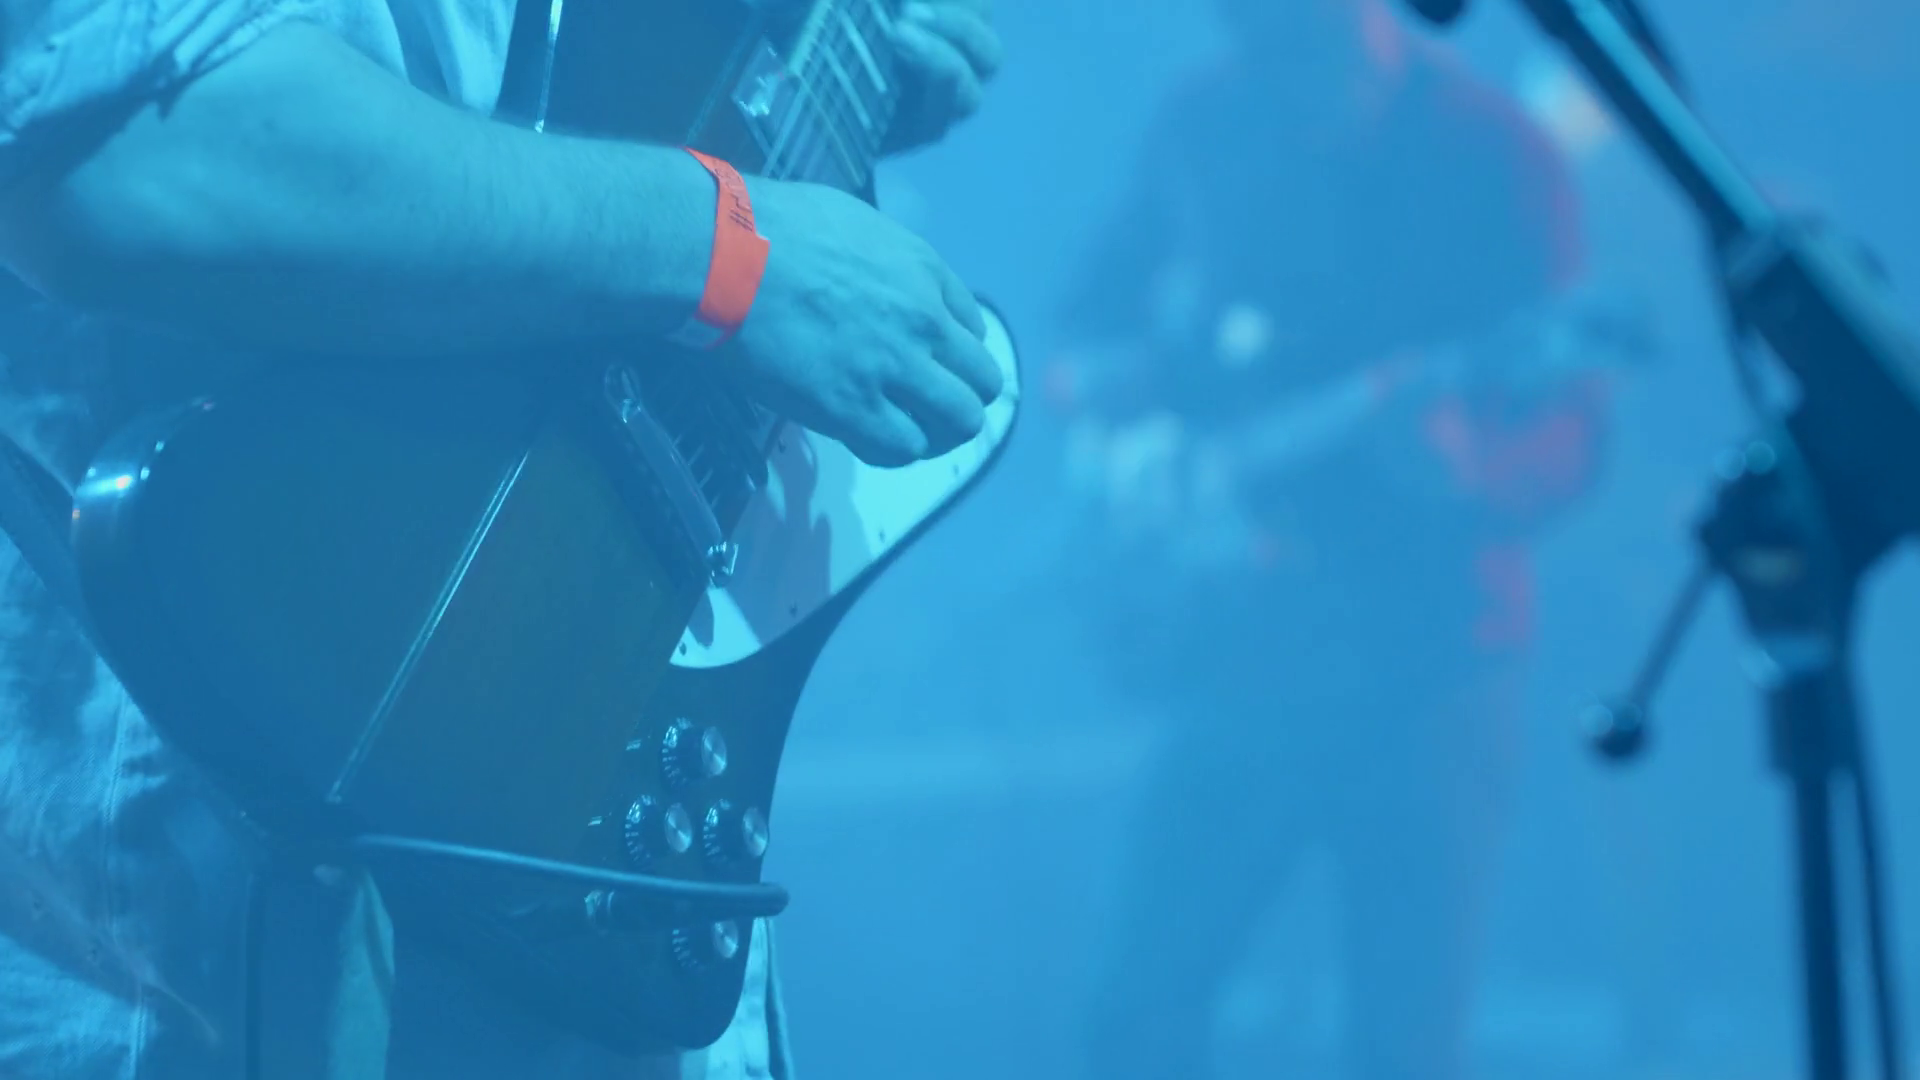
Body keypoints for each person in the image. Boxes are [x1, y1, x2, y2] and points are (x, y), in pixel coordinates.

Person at [0, 0, 1004, 1077]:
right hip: (242, 897)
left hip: (573, 862)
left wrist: (810, 91)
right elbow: (142, 154)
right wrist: (734, 253)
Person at [1050, 1, 1615, 1076]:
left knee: (1403, 1042)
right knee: (1133, 1015)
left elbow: (1576, 433)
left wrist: (1473, 471)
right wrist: (1120, 407)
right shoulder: (1205, 116)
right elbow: (1082, 332)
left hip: (1432, 662)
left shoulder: (1495, 149)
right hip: (1240, 643)